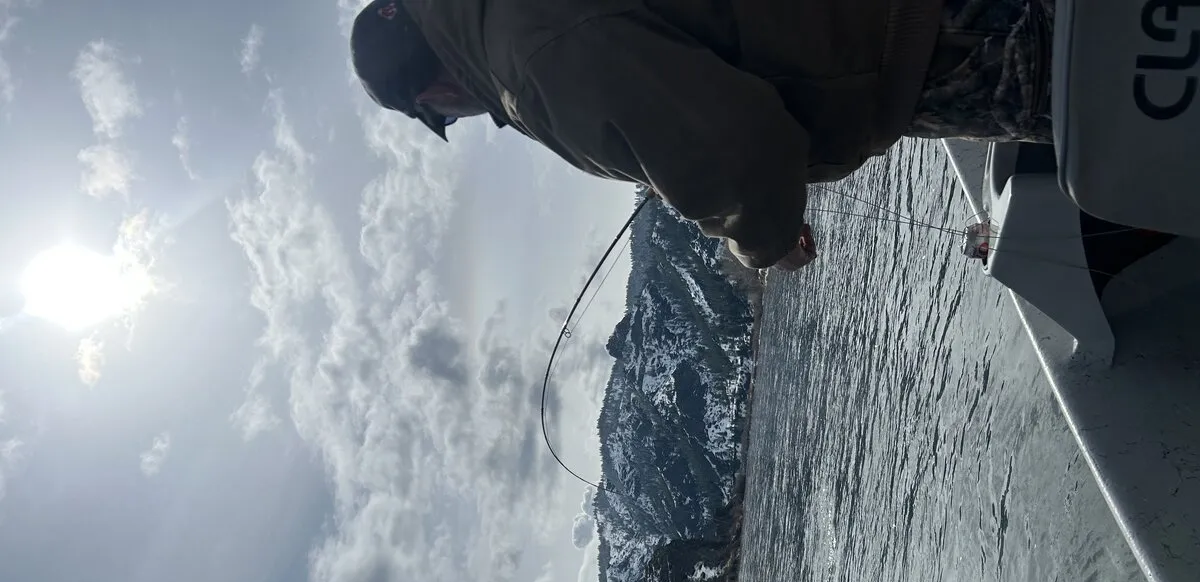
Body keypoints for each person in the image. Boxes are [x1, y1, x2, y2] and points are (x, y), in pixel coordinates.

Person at [349, 0, 1053, 273]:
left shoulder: (528, 69)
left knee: (1091, 73)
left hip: (930, 37)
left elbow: (734, 151)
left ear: (434, 96)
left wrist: (769, 242)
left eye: (447, 118)